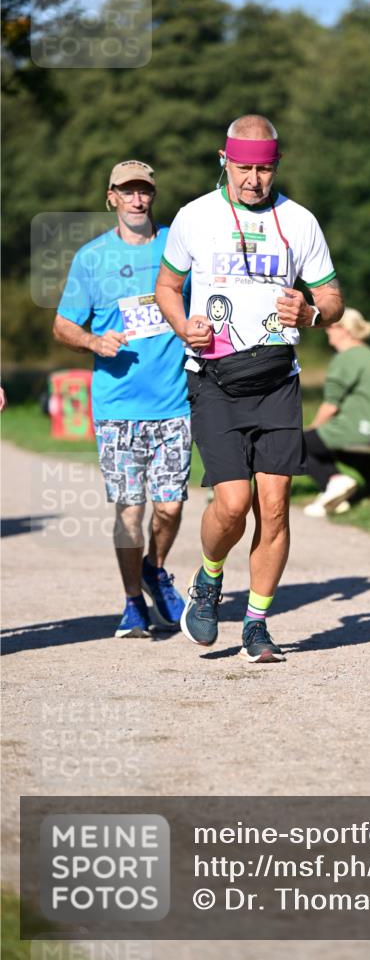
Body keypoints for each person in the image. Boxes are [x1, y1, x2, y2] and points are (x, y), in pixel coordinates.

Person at [155, 114, 344, 663]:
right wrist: (179, 324)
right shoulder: (196, 216)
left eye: (263, 169)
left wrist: (310, 312)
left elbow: (333, 300)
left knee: (276, 506)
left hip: (278, 378)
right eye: (243, 168)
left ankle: (257, 623)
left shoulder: (300, 221)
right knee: (232, 504)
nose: (253, 180)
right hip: (213, 377)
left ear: (275, 166)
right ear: (224, 160)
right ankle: (209, 579)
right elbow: (167, 286)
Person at [53, 160, 191, 637]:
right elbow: (63, 324)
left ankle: (156, 567)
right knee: (130, 509)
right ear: (110, 197)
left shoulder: (179, 245)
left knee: (170, 508)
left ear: (153, 196)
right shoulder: (92, 258)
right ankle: (134, 602)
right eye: (127, 192)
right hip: (117, 407)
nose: (137, 200)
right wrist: (93, 342)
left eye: (144, 191)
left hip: (175, 402)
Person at [303, 308, 370, 517]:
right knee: (312, 443)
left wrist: (312, 429)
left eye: (331, 326)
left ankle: (335, 482)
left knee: (296, 444)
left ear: (346, 330)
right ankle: (338, 498)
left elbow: (331, 406)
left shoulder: (347, 358)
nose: (327, 331)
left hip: (352, 429)